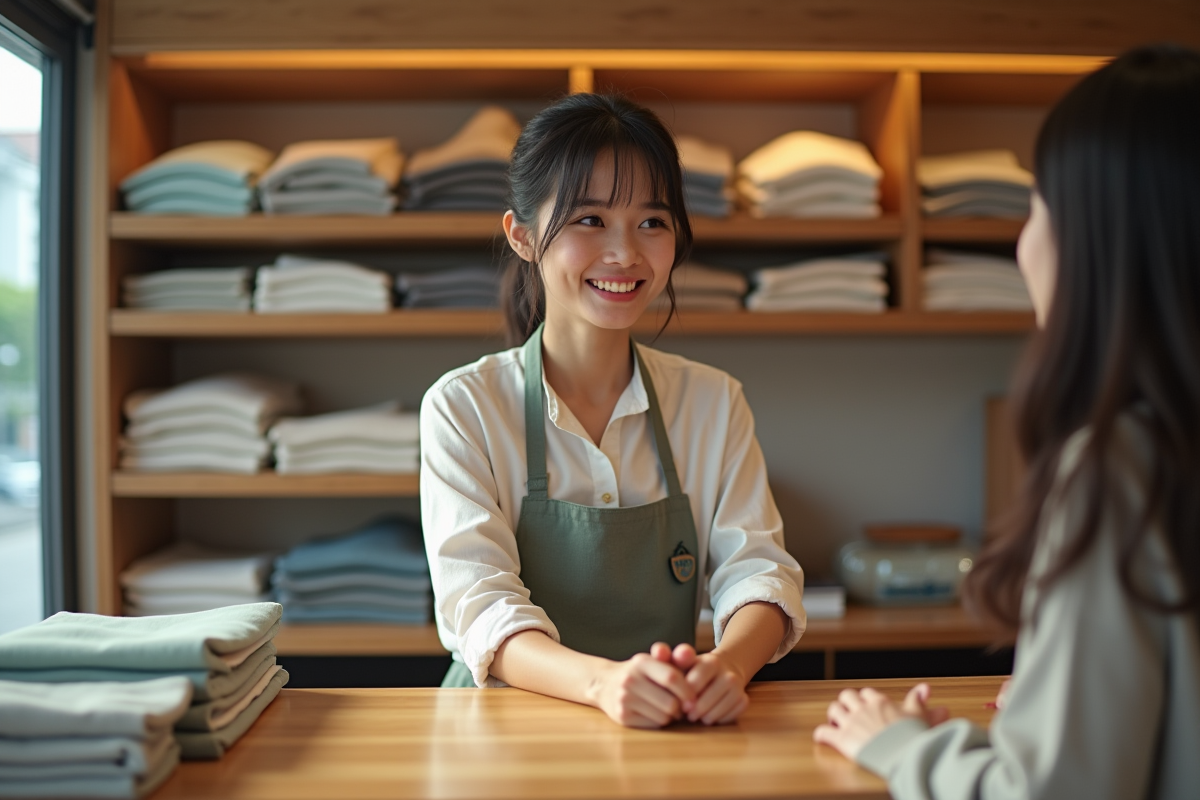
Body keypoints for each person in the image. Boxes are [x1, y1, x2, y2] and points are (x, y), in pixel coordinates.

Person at [812, 44, 1200, 798]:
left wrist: (901, 748)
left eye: (1037, 206)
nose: (1023, 244)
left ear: (1096, 241)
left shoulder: (1118, 465)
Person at [420, 94, 805, 728]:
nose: (625, 253)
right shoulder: (465, 407)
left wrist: (728, 667)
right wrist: (604, 683)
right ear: (521, 235)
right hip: (497, 734)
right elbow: (480, 606)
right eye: (589, 220)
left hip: (662, 731)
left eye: (652, 222)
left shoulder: (713, 402)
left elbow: (758, 571)